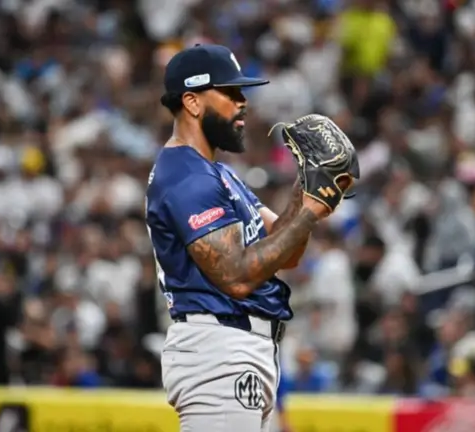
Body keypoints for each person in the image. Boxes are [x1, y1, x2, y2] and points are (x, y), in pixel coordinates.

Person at [146, 44, 347, 431]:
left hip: (240, 348)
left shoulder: (217, 173)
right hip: (218, 348)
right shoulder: (186, 176)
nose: (243, 102)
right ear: (192, 101)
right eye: (230, 92)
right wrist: (310, 212)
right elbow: (236, 277)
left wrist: (305, 189)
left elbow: (284, 250)